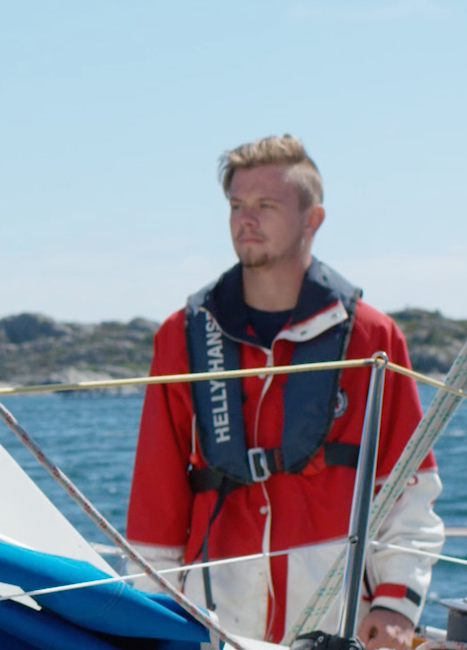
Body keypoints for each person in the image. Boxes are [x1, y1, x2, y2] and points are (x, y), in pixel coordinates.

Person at [122, 135, 444, 649]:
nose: (245, 220)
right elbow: (154, 495)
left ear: (312, 219)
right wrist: (148, 613)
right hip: (217, 619)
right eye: (236, 206)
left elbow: (408, 489)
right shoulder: (180, 339)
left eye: (265, 206)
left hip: (337, 618)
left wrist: (394, 602)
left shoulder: (371, 338)